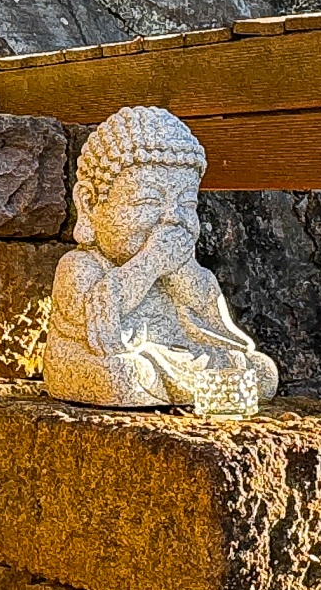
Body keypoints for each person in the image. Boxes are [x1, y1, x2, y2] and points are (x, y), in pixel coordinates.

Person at [43, 106, 279, 409]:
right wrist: (150, 262)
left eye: (187, 204)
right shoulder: (80, 266)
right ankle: (180, 388)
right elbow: (101, 326)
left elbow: (211, 317)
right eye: (149, 201)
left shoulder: (179, 267)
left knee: (260, 370)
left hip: (177, 354)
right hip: (112, 360)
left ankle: (188, 387)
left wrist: (183, 273)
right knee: (122, 376)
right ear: (89, 205)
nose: (172, 219)